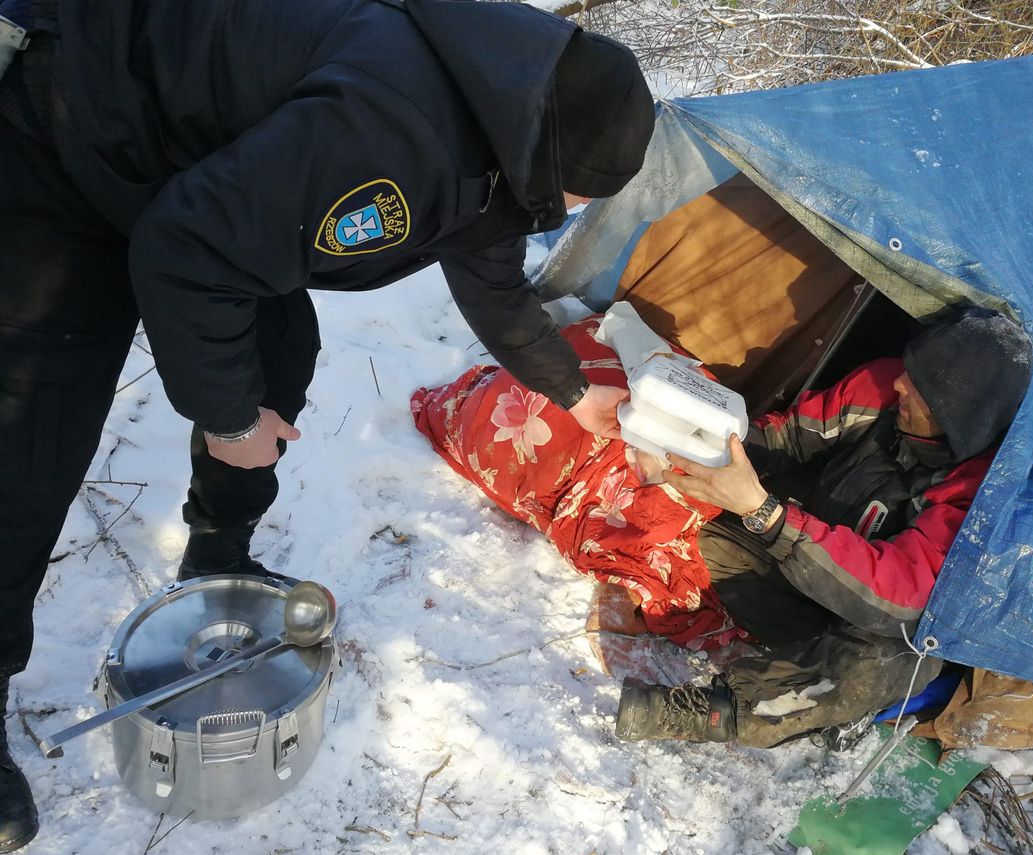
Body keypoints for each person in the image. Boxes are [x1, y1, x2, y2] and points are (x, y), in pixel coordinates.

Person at [0, 0, 655, 847]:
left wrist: (572, 390)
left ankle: (218, 549)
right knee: (29, 437)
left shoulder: (503, 114)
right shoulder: (396, 130)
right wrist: (231, 419)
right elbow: (186, 251)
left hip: (183, 164)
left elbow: (492, 273)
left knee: (278, 346)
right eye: (576, 191)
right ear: (550, 151)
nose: (569, 207)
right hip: (68, 122)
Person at [614, 307, 1033, 749]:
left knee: (892, 661)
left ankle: (718, 710)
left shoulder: (975, 490)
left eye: (922, 386)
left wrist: (769, 514)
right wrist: (691, 447)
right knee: (722, 540)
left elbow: (901, 597)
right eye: (911, 369)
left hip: (884, 619)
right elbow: (790, 436)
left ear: (957, 415)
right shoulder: (879, 391)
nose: (900, 384)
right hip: (821, 572)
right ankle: (822, 681)